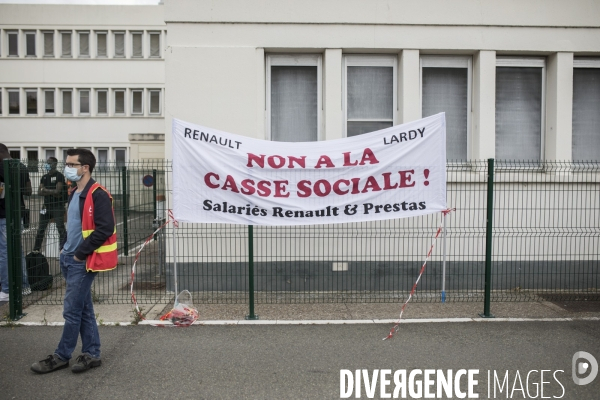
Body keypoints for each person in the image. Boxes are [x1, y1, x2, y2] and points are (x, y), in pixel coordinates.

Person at [31, 148, 117, 374]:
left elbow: (105, 228)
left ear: (85, 167)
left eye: (70, 164)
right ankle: (92, 353)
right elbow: (74, 225)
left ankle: (61, 355)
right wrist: (65, 247)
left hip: (82, 261)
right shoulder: (74, 192)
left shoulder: (98, 193)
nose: (66, 168)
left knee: (71, 310)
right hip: (69, 258)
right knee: (84, 309)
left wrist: (80, 253)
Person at [0, 143, 32, 302]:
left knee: (4, 252)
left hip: (4, 215)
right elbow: (29, 191)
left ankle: (6, 289)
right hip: (17, 213)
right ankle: (24, 285)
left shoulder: (3, 167)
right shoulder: (21, 166)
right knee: (17, 250)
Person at [33, 157, 67, 252]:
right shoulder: (44, 177)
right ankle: (36, 250)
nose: (47, 164)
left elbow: (58, 191)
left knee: (60, 228)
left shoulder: (59, 176)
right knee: (41, 229)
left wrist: (46, 190)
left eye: (49, 163)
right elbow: (39, 192)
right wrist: (50, 191)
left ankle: (62, 249)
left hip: (57, 206)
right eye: (47, 163)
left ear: (54, 164)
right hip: (46, 206)